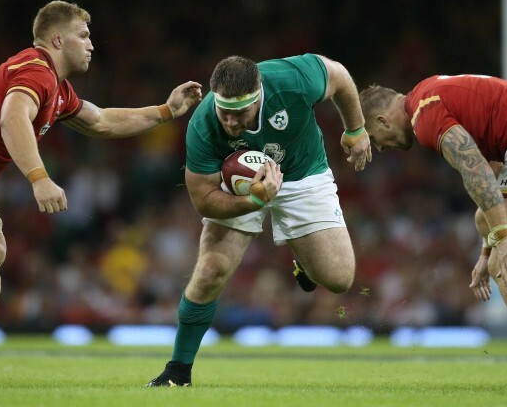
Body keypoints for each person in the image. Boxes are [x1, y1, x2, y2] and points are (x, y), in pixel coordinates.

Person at [0, 0, 202, 378]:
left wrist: (166, 111)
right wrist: (39, 177)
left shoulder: (57, 90)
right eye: (83, 35)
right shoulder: (35, 68)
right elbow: (12, 117)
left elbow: (102, 122)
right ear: (57, 40)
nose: (91, 44)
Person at [145, 54, 371, 387]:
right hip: (238, 184)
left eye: (241, 114)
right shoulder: (203, 123)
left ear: (259, 95)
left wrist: (356, 128)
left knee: (339, 279)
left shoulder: (293, 80)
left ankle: (304, 262)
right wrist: (254, 199)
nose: (232, 123)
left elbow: (339, 75)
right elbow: (203, 200)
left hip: (301, 171)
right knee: (210, 270)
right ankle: (177, 371)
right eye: (225, 113)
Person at [359, 74, 507, 388]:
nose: (380, 148)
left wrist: (504, 242)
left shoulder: (425, 116)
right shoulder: (430, 94)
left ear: (382, 120)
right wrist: (487, 247)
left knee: (505, 263)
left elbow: (476, 170)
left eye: (373, 137)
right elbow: (492, 172)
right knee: (486, 220)